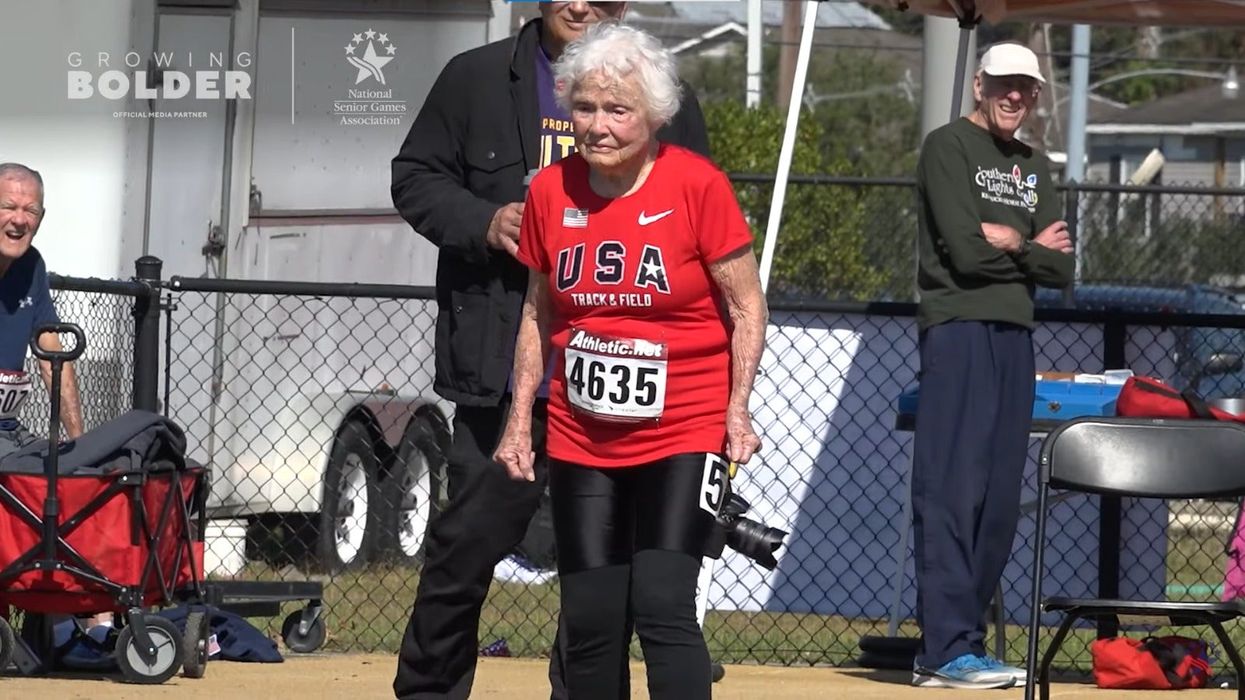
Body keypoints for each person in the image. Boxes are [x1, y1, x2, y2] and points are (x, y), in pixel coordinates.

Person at [389, 3, 710, 698]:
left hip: (617, 391)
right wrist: (484, 221)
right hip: (505, 378)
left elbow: (702, 217)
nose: (583, 5)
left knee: (598, 576)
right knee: (462, 553)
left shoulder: (659, 88)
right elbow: (415, 177)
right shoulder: (475, 78)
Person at [492, 22, 766, 700]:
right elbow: (536, 312)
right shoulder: (550, 193)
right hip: (585, 436)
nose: (598, 125)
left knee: (662, 604)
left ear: (652, 116)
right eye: (584, 107)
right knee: (587, 616)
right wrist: (519, 419)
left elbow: (745, 307)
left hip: (684, 429)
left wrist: (736, 410)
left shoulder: (695, 186)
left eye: (617, 110)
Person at [910, 43, 1074, 690]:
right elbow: (964, 254)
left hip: (1014, 334)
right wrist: (1025, 247)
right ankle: (942, 649)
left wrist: (1014, 244)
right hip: (957, 327)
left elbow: (1062, 268)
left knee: (999, 499)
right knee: (952, 488)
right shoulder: (946, 147)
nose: (1015, 97)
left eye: (1026, 89)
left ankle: (964, 645)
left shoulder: (1033, 164)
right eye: (1004, 84)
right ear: (978, 84)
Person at [0, 162, 83, 460]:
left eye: (31, 211)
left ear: (41, 219)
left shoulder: (32, 265)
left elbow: (53, 362)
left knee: (71, 467)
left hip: (10, 430)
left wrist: (80, 446)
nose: (19, 220)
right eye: (8, 207)